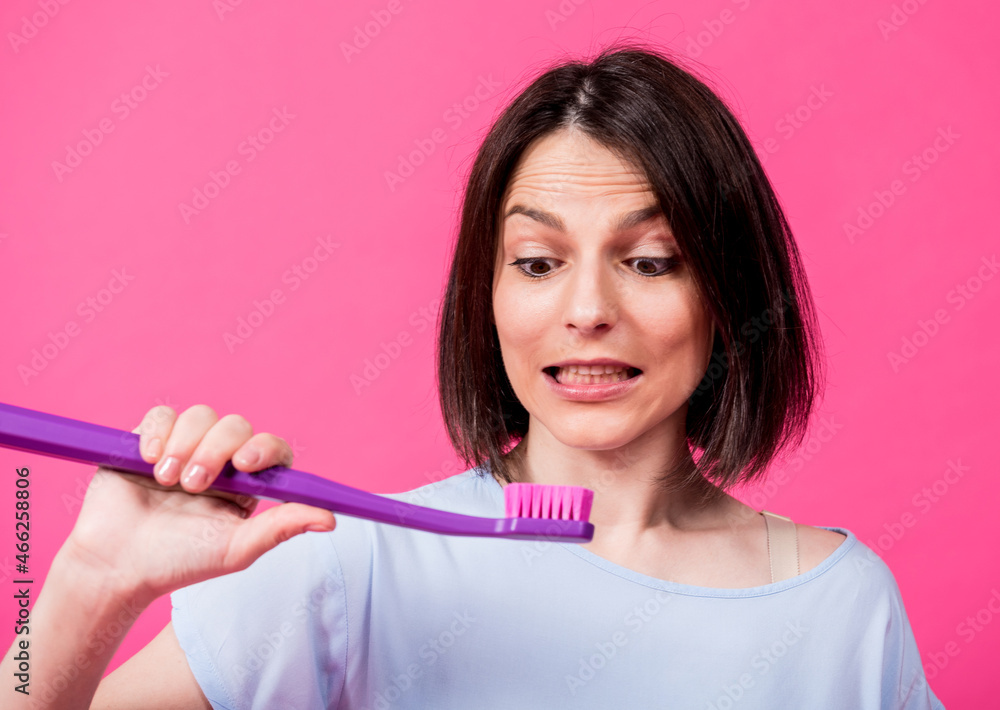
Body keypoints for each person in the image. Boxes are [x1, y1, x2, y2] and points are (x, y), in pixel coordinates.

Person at [1, 43, 945, 709]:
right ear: (485, 297)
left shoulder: (841, 611)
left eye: (650, 260)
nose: (587, 308)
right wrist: (92, 582)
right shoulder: (349, 564)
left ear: (727, 293)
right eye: (537, 262)